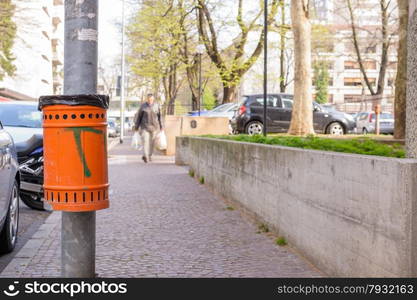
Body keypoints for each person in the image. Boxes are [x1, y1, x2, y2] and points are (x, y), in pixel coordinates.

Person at [134, 94, 162, 163]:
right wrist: (136, 127)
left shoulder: (156, 106)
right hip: (144, 127)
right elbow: (139, 117)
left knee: (152, 143)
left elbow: (159, 117)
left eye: (152, 99)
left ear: (153, 99)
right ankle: (146, 156)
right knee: (146, 141)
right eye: (149, 99)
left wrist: (161, 126)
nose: (150, 101)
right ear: (147, 99)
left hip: (154, 127)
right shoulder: (143, 106)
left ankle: (149, 155)